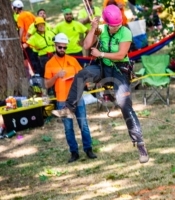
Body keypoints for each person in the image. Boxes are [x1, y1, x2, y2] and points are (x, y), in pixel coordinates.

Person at [52, 5, 149, 164]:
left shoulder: (125, 32)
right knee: (82, 74)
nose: (114, 28)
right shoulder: (102, 29)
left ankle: (140, 144)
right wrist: (93, 28)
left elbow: (121, 54)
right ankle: (69, 109)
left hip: (119, 70)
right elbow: (86, 45)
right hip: (103, 67)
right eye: (112, 25)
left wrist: (101, 53)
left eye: (117, 25)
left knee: (125, 106)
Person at [44, 33, 97, 163]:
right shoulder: (49, 64)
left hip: (77, 97)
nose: (62, 49)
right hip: (62, 100)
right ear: (55, 46)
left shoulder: (72, 60)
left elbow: (82, 76)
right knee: (68, 128)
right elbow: (46, 84)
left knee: (83, 124)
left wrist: (87, 83)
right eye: (60, 47)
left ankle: (88, 149)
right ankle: (74, 152)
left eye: (64, 47)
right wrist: (56, 76)